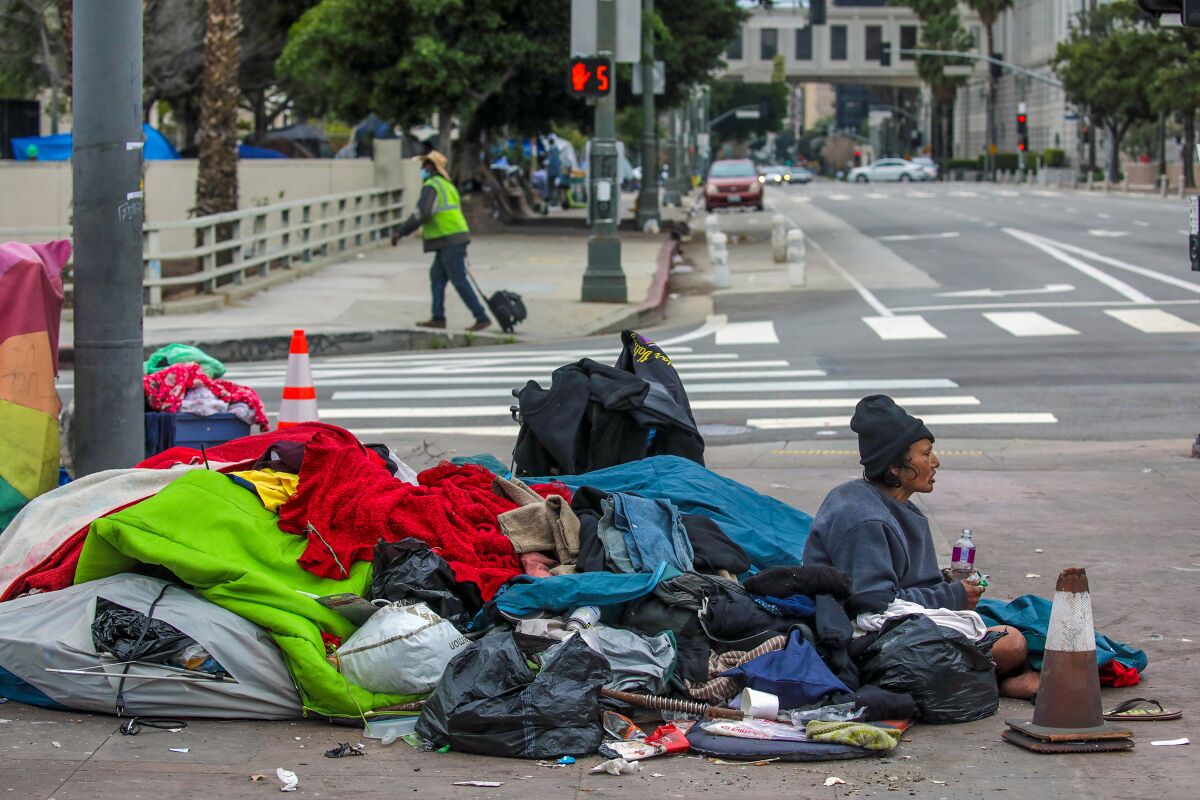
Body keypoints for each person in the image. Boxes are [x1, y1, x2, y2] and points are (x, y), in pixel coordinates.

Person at [802, 394, 1040, 699]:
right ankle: (995, 681)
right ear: (894, 469)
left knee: (1021, 626)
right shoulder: (864, 519)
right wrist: (952, 595)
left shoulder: (896, 506)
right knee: (1012, 643)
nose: (936, 462)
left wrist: (949, 584)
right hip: (867, 641)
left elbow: (905, 582)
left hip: (901, 625)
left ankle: (989, 677)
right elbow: (873, 603)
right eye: (926, 454)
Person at [391, 150, 490, 332]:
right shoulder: (448, 185)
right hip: (453, 237)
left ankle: (481, 316)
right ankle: (438, 317)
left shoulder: (432, 186)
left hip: (449, 238)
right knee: (437, 276)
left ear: (432, 167)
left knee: (459, 279)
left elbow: (422, 213)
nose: (422, 169)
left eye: (425, 166)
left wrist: (401, 232)